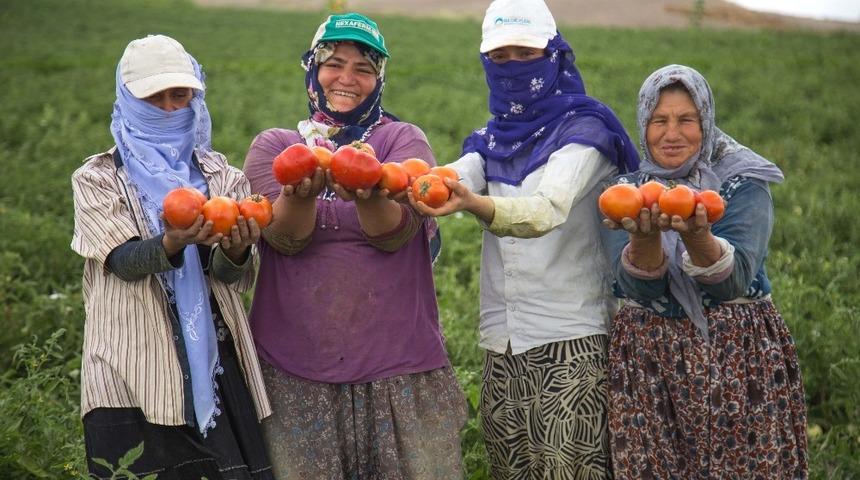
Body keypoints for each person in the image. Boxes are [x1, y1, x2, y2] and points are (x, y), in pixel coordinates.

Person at [410, 0, 640, 477]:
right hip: (502, 342)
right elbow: (457, 174)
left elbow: (545, 210)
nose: (512, 65)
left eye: (525, 53)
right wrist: (397, 180)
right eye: (500, 56)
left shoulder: (585, 132)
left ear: (553, 54)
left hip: (570, 339)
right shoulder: (494, 137)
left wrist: (471, 204)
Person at [241, 13, 467, 479]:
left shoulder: (402, 141)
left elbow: (397, 234)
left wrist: (370, 194)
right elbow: (285, 237)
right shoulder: (277, 148)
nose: (347, 79)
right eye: (333, 64)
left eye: (363, 69)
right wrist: (299, 193)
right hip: (294, 369)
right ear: (312, 70)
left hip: (398, 365)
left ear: (379, 78)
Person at [71, 34, 273, 479]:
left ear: (194, 97)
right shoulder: (98, 178)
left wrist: (237, 247)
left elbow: (228, 274)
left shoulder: (222, 175)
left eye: (178, 95)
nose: (167, 108)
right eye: (152, 97)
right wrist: (171, 243)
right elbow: (121, 261)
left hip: (217, 361)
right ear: (128, 98)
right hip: (132, 365)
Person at [601, 64, 808, 478]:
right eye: (659, 120)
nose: (672, 134)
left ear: (706, 122)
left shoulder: (742, 182)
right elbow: (636, 289)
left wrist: (698, 236)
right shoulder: (624, 193)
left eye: (686, 120)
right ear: (643, 124)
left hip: (735, 355)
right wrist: (644, 238)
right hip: (648, 361)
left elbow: (735, 277)